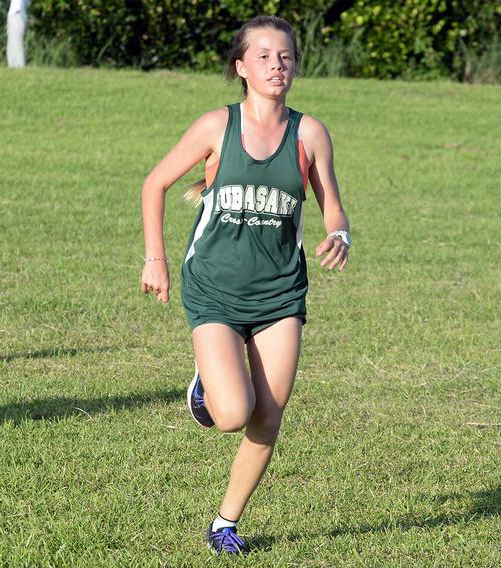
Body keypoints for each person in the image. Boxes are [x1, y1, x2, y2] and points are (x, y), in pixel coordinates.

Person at [140, 15, 351, 555]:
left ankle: (224, 523)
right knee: (233, 413)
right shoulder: (217, 126)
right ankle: (206, 386)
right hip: (213, 286)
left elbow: (331, 205)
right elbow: (155, 183)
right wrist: (155, 259)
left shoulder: (310, 133)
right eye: (263, 56)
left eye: (284, 57)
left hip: (281, 292)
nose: (276, 65)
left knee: (268, 415)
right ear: (241, 67)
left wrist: (340, 234)